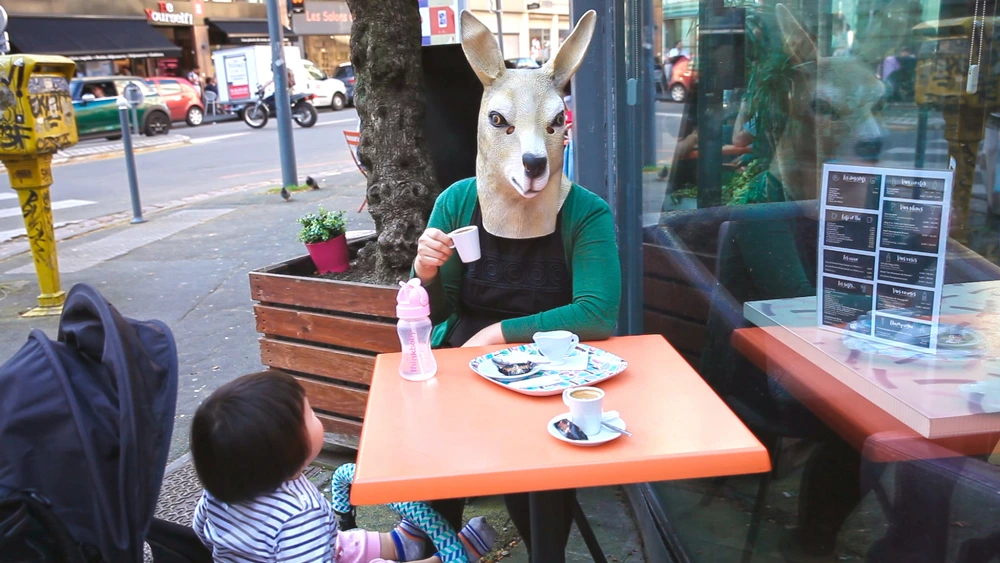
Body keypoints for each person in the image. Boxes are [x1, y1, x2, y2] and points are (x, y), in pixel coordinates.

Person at [189, 371, 497, 563]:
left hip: (312, 551)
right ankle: (444, 559)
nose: (316, 416)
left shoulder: (219, 491)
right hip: (309, 554)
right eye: (310, 414)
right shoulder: (299, 517)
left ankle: (403, 543)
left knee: (346, 542)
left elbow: (202, 534)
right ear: (290, 449)